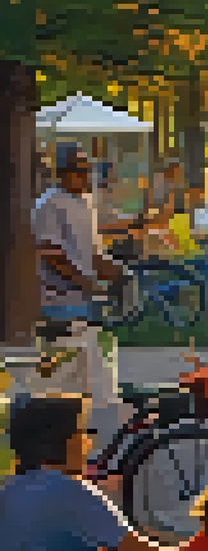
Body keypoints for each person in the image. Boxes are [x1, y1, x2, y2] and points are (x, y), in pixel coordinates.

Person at [0, 394, 184, 551]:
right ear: (68, 442)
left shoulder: (10, 489)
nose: (89, 442)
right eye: (84, 433)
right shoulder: (72, 492)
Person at [30, 148, 122, 427]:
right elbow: (49, 251)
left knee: (89, 375)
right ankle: (58, 429)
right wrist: (86, 282)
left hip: (84, 302)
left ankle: (82, 428)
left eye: (87, 170)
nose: (84, 177)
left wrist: (117, 273)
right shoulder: (50, 204)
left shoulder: (85, 203)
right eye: (78, 170)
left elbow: (92, 252)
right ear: (61, 173)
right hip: (56, 301)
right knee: (60, 377)